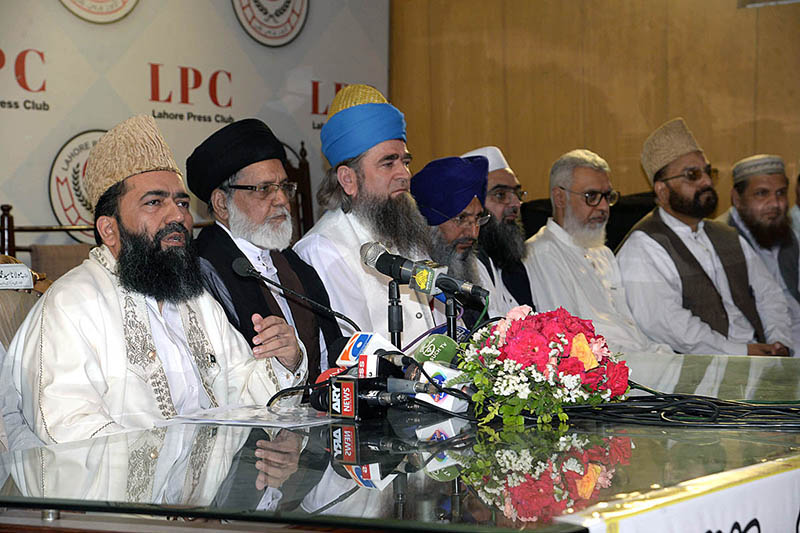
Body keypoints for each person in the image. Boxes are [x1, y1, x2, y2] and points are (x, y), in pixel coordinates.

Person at [2, 115, 306, 445]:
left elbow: (243, 389)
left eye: (181, 202)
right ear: (109, 229)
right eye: (154, 202)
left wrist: (284, 360)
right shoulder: (72, 306)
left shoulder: (196, 300)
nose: (178, 216)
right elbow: (69, 433)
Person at [617, 118, 791, 356]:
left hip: (756, 359)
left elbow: (769, 294)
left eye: (708, 172)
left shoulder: (725, 235)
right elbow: (668, 324)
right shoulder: (642, 246)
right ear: (662, 190)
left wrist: (779, 341)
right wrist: (742, 352)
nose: (707, 181)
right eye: (692, 175)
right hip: (700, 375)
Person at [186, 119, 342, 379]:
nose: (281, 200)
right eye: (264, 189)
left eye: (284, 187)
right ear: (222, 203)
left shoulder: (295, 264)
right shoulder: (199, 269)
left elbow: (330, 354)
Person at [294, 85, 435, 347]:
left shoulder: (404, 228)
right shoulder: (323, 251)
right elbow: (359, 354)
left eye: (405, 161)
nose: (405, 174)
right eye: (388, 163)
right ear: (348, 179)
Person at [525, 149, 673, 354]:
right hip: (606, 371)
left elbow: (629, 324)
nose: (603, 207)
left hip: (642, 357)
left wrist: (659, 353)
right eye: (591, 196)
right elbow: (570, 341)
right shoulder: (541, 253)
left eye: (607, 196)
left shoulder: (603, 252)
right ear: (559, 197)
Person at [717, 154, 800, 353]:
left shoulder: (786, 229)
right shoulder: (719, 239)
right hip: (756, 339)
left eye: (780, 193)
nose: (775, 203)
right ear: (737, 199)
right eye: (762, 194)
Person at [410, 155, 494, 327]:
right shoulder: (412, 276)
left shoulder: (474, 264)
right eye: (461, 218)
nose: (473, 233)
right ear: (428, 222)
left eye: (478, 218)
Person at [462, 146, 535, 313]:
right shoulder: (465, 266)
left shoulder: (514, 263)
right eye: (500, 195)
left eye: (517, 193)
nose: (516, 204)